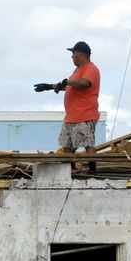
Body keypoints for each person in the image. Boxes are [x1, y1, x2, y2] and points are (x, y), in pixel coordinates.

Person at [34, 41, 100, 172]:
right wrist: (50, 86)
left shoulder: (90, 69)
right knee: (67, 145)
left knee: (88, 143)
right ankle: (69, 171)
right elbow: (70, 85)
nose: (72, 56)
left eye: (73, 53)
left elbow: (85, 83)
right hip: (71, 117)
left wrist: (68, 81)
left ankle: (93, 170)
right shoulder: (77, 70)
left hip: (85, 115)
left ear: (81, 54)